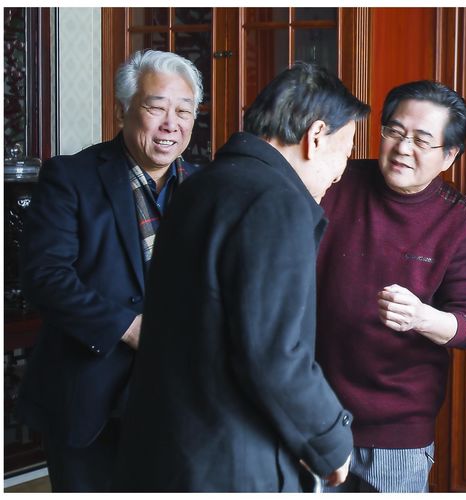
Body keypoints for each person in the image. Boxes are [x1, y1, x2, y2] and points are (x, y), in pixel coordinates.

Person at [111, 62, 370, 492]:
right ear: (316, 136)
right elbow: (274, 353)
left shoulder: (203, 185)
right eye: (346, 151)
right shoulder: (276, 201)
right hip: (231, 460)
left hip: (169, 446)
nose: (342, 171)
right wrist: (330, 440)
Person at [16, 49, 202, 492]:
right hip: (89, 397)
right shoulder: (71, 177)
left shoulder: (206, 186)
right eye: (156, 108)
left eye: (184, 111)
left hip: (181, 398)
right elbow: (45, 276)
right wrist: (130, 327)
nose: (171, 124)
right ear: (123, 110)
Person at [315, 80, 466, 493]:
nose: (402, 148)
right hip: (311, 410)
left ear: (449, 155)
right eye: (394, 131)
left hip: (396, 431)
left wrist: (422, 317)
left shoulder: (461, 224)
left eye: (422, 141)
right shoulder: (334, 181)